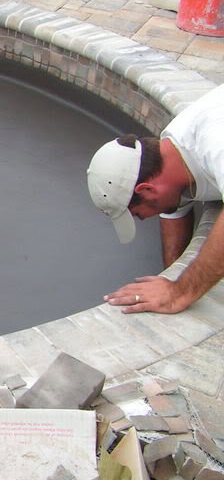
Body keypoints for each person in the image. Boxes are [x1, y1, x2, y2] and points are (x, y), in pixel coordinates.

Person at [87, 83, 224, 314]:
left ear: (146, 190)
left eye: (139, 215)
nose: (144, 219)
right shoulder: (174, 151)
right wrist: (171, 274)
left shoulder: (215, 139)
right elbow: (173, 209)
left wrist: (179, 292)